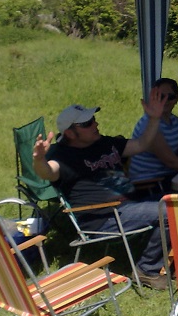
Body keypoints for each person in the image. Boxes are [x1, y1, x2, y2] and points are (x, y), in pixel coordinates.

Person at [32, 89, 170, 290]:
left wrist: (154, 118)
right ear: (70, 133)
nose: (95, 124)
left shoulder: (103, 142)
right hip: (105, 219)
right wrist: (39, 159)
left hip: (129, 206)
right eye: (87, 123)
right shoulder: (63, 156)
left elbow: (142, 144)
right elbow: (47, 172)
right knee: (168, 211)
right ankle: (147, 270)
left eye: (93, 119)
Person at [127, 77, 178, 191]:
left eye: (170, 97)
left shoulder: (175, 121)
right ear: (153, 98)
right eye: (160, 97)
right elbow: (171, 161)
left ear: (176, 99)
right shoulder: (149, 124)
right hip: (148, 184)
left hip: (168, 178)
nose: (165, 100)